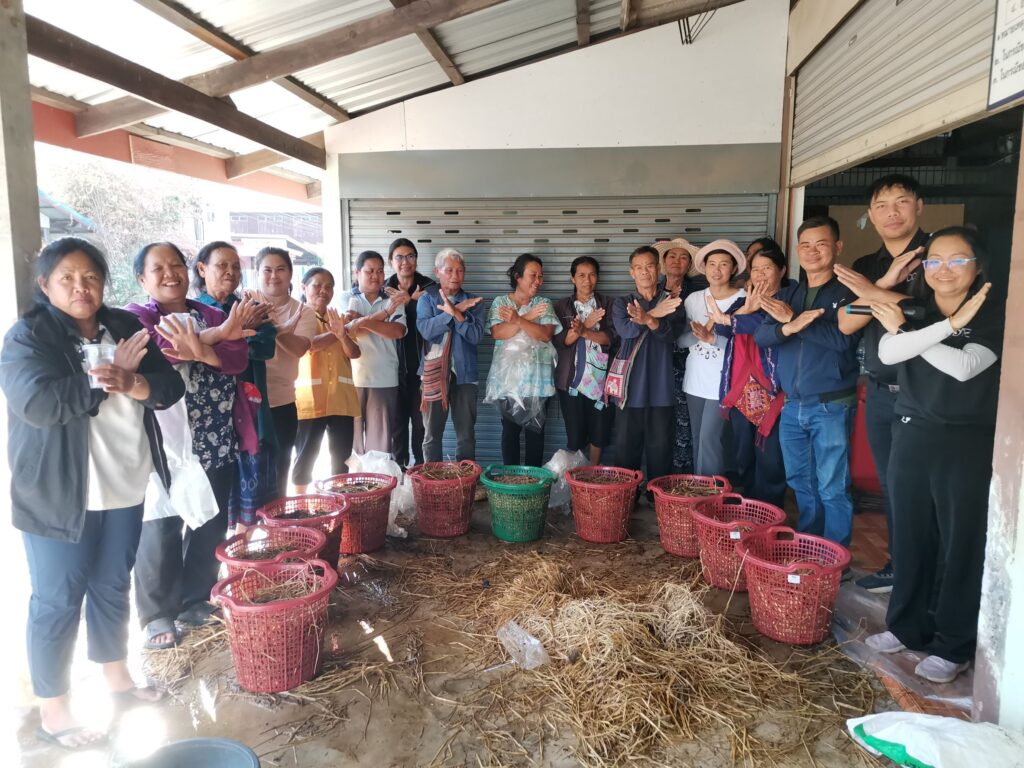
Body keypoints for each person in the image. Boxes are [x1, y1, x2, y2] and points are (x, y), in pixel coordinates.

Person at [1, 238, 184, 748]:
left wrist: (132, 381)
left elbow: (168, 388)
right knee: (57, 600)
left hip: (124, 484)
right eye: (67, 278)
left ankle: (117, 681)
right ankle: (54, 710)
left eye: (91, 277)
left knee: (111, 585)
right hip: (60, 496)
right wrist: (104, 379)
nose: (81, 287)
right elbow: (37, 404)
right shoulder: (29, 337)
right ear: (45, 285)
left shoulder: (123, 326)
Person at [864, 227, 1003, 684]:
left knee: (960, 543)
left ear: (977, 266)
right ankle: (908, 626)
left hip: (965, 440)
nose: (944, 269)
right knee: (910, 535)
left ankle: (953, 643)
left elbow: (964, 367)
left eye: (957, 259)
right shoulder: (916, 307)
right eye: (935, 261)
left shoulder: (993, 314)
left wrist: (912, 334)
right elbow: (887, 353)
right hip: (911, 432)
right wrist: (940, 327)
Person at [125, 242, 252, 648]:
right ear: (142, 279)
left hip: (215, 434)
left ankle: (195, 598)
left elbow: (237, 358)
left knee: (210, 520)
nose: (170, 274)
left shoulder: (209, 312)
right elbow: (160, 351)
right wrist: (211, 344)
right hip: (164, 444)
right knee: (161, 525)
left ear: (187, 269)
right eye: (158, 268)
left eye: (176, 264)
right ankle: (157, 613)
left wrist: (200, 348)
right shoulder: (136, 317)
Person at [835, 174, 929, 594]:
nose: (892, 212)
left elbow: (934, 314)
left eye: (901, 202)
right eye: (882, 205)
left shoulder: (939, 256)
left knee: (923, 487)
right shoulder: (867, 266)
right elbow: (846, 322)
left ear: (918, 206)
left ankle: (925, 573)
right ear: (871, 216)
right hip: (879, 390)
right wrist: (882, 286)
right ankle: (900, 566)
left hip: (924, 391)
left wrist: (871, 294)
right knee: (892, 484)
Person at [754, 216, 859, 547]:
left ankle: (835, 556)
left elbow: (843, 340)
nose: (813, 251)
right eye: (806, 245)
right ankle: (812, 546)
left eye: (821, 243)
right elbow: (762, 336)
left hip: (831, 404)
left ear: (837, 247)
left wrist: (795, 321)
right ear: (798, 250)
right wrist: (789, 326)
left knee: (832, 487)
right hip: (791, 404)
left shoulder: (850, 293)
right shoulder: (789, 293)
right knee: (801, 481)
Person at [193, 241, 277, 530]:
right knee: (210, 505)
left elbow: (264, 348)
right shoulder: (193, 311)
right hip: (207, 420)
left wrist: (230, 338)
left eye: (236, 266)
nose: (230, 272)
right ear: (202, 269)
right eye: (222, 265)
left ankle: (243, 550)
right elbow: (194, 355)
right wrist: (236, 332)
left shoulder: (250, 309)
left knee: (253, 495)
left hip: (249, 413)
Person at [707, 243, 791, 508]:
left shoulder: (789, 298)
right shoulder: (743, 301)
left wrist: (734, 319)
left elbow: (766, 326)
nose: (760, 275)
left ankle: (769, 511)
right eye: (756, 269)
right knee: (744, 455)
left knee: (771, 459)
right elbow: (722, 329)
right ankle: (750, 509)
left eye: (767, 268)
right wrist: (744, 310)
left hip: (775, 391)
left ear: (782, 270)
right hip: (740, 391)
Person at [609, 246, 683, 484]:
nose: (644, 271)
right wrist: (655, 316)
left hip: (662, 388)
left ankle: (656, 498)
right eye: (638, 267)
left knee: (661, 450)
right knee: (625, 450)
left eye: (649, 266)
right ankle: (626, 497)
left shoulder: (672, 302)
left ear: (658, 269)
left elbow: (671, 335)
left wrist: (649, 318)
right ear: (631, 272)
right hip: (630, 389)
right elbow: (626, 331)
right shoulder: (622, 303)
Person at [677, 240, 746, 476]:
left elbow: (747, 348)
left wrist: (713, 338)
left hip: (725, 381)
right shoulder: (693, 299)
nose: (717, 270)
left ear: (733, 269)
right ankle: (700, 487)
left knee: (710, 438)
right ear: (704, 268)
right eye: (712, 264)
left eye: (724, 264)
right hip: (695, 379)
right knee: (698, 437)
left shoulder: (745, 300)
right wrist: (701, 334)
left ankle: (712, 492)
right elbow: (681, 342)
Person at [486, 254, 561, 467]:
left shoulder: (543, 303)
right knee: (509, 433)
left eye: (541, 276)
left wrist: (517, 320)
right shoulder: (501, 302)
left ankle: (532, 481)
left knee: (536, 435)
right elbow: (499, 333)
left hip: (538, 382)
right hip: (508, 381)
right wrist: (528, 319)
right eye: (533, 275)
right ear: (518, 277)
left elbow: (545, 334)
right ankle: (509, 479)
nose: (538, 281)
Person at [291, 268, 361, 492]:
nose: (324, 290)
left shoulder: (337, 319)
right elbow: (311, 345)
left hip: (341, 399)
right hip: (310, 401)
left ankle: (338, 501)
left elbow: (354, 353)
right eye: (317, 285)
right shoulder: (297, 317)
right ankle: (300, 503)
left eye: (329, 286)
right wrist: (339, 332)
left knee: (341, 458)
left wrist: (343, 334)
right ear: (304, 287)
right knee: (306, 455)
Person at [258, 247, 317, 496]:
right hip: (247, 404)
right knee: (249, 475)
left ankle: (276, 518)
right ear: (258, 273)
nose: (274, 276)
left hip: (282, 403)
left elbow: (299, 348)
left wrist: (274, 326)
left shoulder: (303, 311)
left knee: (279, 473)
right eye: (267, 270)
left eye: (280, 269)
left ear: (291, 274)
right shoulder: (245, 303)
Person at [417, 248, 485, 462]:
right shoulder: (427, 300)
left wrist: (456, 311)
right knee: (431, 435)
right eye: (449, 270)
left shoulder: (474, 301)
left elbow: (476, 336)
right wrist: (455, 312)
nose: (455, 275)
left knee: (466, 436)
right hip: (434, 374)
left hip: (465, 376)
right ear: (437, 272)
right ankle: (431, 478)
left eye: (459, 270)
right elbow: (427, 330)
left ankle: (465, 479)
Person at [338, 250, 408, 455]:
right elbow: (348, 329)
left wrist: (362, 320)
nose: (376, 276)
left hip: (383, 378)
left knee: (380, 446)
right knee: (351, 445)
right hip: (351, 380)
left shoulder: (392, 299)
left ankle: (378, 477)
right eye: (369, 271)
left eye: (380, 271)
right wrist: (383, 317)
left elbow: (397, 331)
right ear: (357, 273)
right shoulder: (346, 297)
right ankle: (356, 477)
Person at [553, 257, 618, 464]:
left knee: (600, 432)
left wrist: (585, 331)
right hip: (571, 380)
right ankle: (577, 476)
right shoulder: (561, 306)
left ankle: (593, 473)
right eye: (581, 275)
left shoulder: (609, 304)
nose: (587, 280)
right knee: (575, 434)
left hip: (601, 380)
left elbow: (612, 338)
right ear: (572, 278)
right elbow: (561, 341)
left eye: (591, 275)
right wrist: (584, 327)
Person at [385, 238, 435, 468]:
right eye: (399, 257)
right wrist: (406, 302)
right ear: (391, 261)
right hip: (391, 369)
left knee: (421, 424)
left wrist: (410, 303)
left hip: (423, 369)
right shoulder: (384, 289)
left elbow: (435, 318)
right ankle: (399, 472)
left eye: (410, 256)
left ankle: (421, 471)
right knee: (396, 425)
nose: (405, 262)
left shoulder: (429, 287)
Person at [653, 238, 701, 474]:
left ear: (689, 264)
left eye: (683, 257)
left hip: (687, 364)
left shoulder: (698, 292)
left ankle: (682, 472)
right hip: (656, 363)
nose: (677, 261)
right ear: (663, 262)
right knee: (658, 419)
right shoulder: (653, 289)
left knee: (684, 419)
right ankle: (657, 473)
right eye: (672, 256)